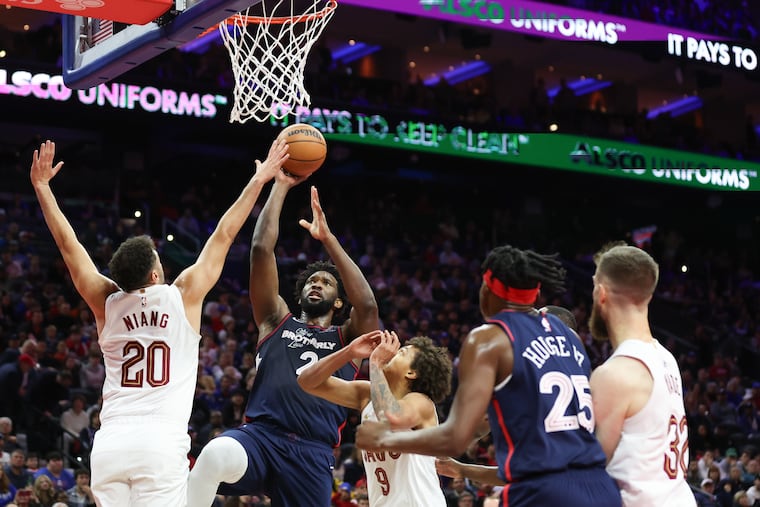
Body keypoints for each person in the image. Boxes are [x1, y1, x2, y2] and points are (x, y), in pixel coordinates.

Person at [30, 138, 289, 507]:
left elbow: (69, 246)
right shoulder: (182, 295)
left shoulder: (106, 300)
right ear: (155, 275)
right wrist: (260, 179)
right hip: (159, 444)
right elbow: (225, 234)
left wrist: (42, 188)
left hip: (111, 444)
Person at [356, 244, 621, 506]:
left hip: (546, 493)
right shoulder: (571, 341)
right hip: (599, 487)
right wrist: (463, 469)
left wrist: (386, 438)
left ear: (488, 292)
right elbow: (483, 426)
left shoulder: (490, 339)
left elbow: (454, 438)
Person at [188, 179, 379, 507]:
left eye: (326, 283)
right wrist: (281, 183)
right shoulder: (276, 320)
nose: (317, 284)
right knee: (215, 455)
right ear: (301, 293)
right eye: (311, 281)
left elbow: (369, 307)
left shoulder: (347, 337)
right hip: (260, 438)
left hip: (312, 453)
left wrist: (328, 240)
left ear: (337, 303)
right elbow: (261, 249)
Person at [588, 243, 696, 506]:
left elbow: (585, 473)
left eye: (593, 286)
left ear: (601, 293)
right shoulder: (666, 358)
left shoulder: (615, 374)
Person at [298, 329, 452, 506]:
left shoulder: (421, 403)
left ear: (411, 373)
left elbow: (391, 416)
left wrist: (376, 363)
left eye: (402, 352)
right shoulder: (366, 395)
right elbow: (307, 382)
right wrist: (349, 352)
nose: (392, 353)